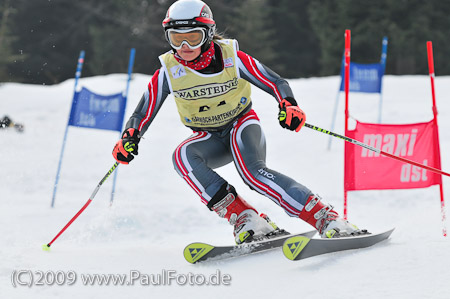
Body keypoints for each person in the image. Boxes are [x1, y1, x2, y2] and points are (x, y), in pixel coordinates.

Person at [112, 0, 364, 244]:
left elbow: (275, 82)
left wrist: (288, 104)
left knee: (251, 173)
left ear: (208, 34)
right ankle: (247, 218)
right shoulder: (168, 70)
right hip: (209, 137)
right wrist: (128, 138)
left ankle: (325, 218)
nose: (185, 46)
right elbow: (143, 112)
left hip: (241, 126)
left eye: (194, 37)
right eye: (177, 38)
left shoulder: (232, 58)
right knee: (182, 156)